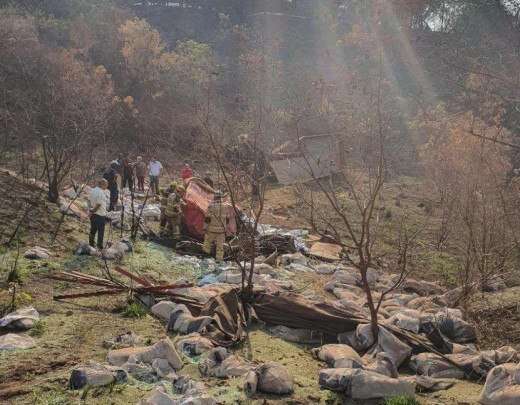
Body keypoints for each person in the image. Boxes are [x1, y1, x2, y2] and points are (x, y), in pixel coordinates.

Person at [203, 191, 229, 262]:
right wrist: (225, 228)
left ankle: (206, 258)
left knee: (207, 244)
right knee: (220, 247)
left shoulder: (211, 206)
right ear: (220, 198)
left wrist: (204, 228)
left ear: (214, 197)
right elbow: (227, 219)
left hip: (211, 230)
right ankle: (219, 261)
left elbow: (207, 219)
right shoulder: (225, 206)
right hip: (221, 231)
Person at [88, 179, 109, 250]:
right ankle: (99, 246)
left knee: (93, 230)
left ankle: (91, 244)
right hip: (99, 215)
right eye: (106, 184)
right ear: (102, 184)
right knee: (100, 232)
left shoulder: (92, 190)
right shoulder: (100, 192)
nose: (107, 186)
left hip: (93, 215)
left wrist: (90, 210)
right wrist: (93, 211)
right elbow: (98, 204)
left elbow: (88, 201)